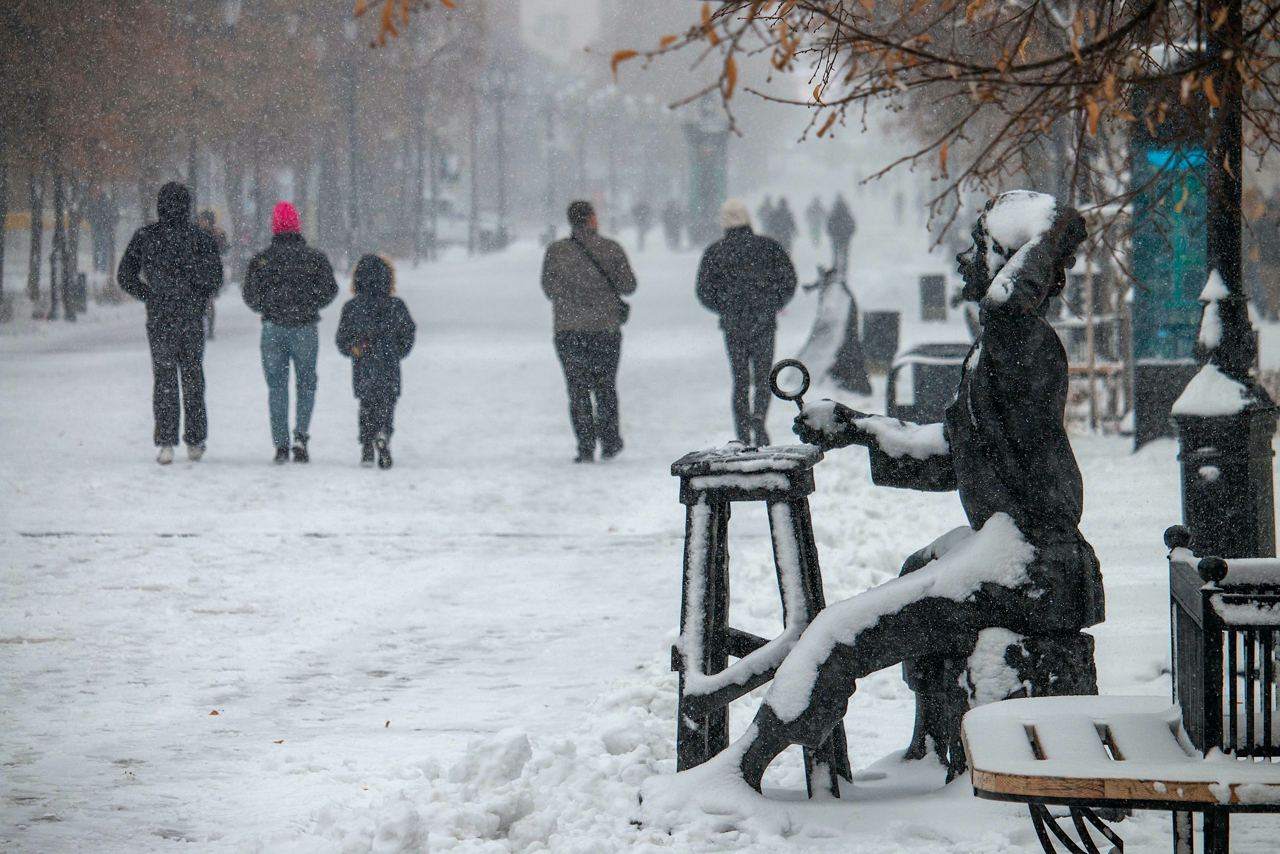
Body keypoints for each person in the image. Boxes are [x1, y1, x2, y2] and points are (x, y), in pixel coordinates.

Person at [645, 190, 1106, 800]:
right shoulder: (997, 348)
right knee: (917, 569)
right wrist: (858, 428)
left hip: (1032, 569)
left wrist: (1048, 235)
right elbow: (957, 453)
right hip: (1014, 553)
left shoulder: (1017, 341)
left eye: (980, 248)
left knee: (839, 635)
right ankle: (929, 747)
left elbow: (1009, 303)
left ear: (1009, 265)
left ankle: (739, 772)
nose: (964, 260)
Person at [117, 182, 224, 465]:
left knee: (164, 379)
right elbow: (215, 278)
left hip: (160, 317)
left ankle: (166, 441)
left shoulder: (146, 237)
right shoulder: (200, 238)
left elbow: (125, 275)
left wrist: (149, 295)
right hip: (190, 317)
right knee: (193, 377)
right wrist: (198, 294)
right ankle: (195, 439)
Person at [540, 200, 638, 463]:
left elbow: (548, 288)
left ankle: (585, 446)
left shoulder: (556, 252)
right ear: (592, 220)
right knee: (605, 386)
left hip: (568, 331)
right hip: (605, 330)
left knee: (577, 389)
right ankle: (610, 442)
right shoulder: (611, 249)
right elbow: (629, 285)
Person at [695, 198, 798, 447]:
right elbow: (789, 280)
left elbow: (703, 290)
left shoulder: (715, 252)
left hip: (733, 324)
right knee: (763, 377)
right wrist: (774, 303)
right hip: (764, 321)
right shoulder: (768, 247)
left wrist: (724, 307)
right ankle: (759, 419)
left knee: (740, 380)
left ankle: (742, 432)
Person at [242, 201, 338, 464]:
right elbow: (330, 290)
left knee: (277, 387)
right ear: (297, 225)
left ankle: (281, 444)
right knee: (306, 383)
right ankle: (301, 435)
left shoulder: (262, 260)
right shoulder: (314, 258)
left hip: (273, 327)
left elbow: (249, 295)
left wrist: (268, 306)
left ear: (274, 226)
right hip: (305, 327)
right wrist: (309, 304)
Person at [336, 255, 417, 470]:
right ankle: (383, 434)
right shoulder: (396, 306)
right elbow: (408, 333)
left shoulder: (352, 308)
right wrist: (397, 351)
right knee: (386, 404)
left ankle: (366, 445)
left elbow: (341, 340)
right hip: (389, 365)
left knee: (366, 405)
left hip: (363, 366)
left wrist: (355, 349)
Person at [196, 210, 228, 340]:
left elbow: (223, 249)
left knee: (207, 301)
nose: (201, 222)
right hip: (201, 271)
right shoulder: (196, 233)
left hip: (209, 272)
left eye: (203, 219)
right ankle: (204, 328)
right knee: (201, 301)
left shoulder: (215, 234)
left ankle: (209, 329)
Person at [827, 194, 857, 282]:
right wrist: (849, 233)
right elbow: (852, 224)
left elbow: (829, 224)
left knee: (836, 255)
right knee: (844, 255)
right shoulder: (846, 211)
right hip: (844, 237)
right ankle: (843, 271)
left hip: (836, 237)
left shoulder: (834, 211)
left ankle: (836, 271)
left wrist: (831, 233)